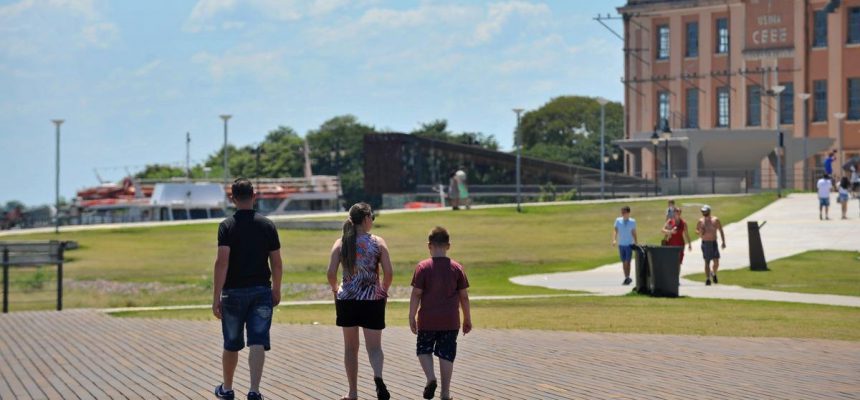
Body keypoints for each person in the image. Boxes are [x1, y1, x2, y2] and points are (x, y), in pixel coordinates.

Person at [213, 178, 282, 400]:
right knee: (258, 341)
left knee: (231, 343)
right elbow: (276, 262)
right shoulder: (267, 225)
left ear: (232, 198)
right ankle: (254, 390)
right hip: (261, 291)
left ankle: (227, 388)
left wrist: (216, 297)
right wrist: (277, 289)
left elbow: (222, 262)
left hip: (233, 292)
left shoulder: (226, 226)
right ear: (254, 196)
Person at [327, 202, 394, 400]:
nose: (372, 220)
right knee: (374, 347)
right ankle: (378, 377)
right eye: (371, 217)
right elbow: (389, 272)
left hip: (347, 299)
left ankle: (353, 392)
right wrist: (383, 291)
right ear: (365, 219)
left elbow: (331, 273)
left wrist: (335, 289)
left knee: (350, 348)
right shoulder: (378, 242)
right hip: (372, 299)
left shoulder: (340, 243)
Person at [409, 226, 472, 400]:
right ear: (448, 246)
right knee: (446, 355)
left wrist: (411, 315)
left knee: (423, 349)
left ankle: (431, 378)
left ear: (429, 245)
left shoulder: (422, 267)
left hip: (427, 320)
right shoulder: (457, 268)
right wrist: (467, 318)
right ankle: (445, 393)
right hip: (450, 321)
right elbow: (464, 296)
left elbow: (416, 294)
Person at [696, 205, 725, 286]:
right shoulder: (701, 221)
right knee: (707, 262)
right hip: (705, 243)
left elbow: (721, 230)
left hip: (713, 242)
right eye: (702, 211)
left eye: (705, 211)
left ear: (709, 211)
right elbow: (696, 230)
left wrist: (723, 241)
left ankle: (713, 273)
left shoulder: (715, 220)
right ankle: (708, 279)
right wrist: (700, 232)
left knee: (716, 262)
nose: (703, 212)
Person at [611, 206, 638, 285]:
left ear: (628, 213)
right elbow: (615, 231)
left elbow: (634, 232)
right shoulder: (618, 220)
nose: (622, 214)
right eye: (622, 212)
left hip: (629, 245)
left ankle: (627, 277)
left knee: (627, 262)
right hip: (621, 244)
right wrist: (614, 239)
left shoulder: (632, 221)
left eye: (624, 212)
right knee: (623, 262)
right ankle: (627, 277)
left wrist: (636, 241)